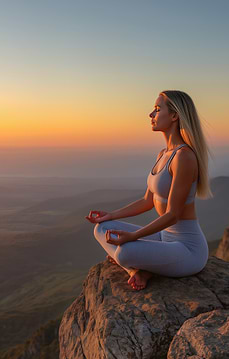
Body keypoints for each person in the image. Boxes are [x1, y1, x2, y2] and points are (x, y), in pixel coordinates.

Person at [85, 90, 213, 291]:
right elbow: (147, 201)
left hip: (187, 249)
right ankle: (137, 271)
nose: (151, 115)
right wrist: (110, 215)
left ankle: (137, 267)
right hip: (164, 238)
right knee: (102, 229)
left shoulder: (184, 157)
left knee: (124, 253)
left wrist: (132, 237)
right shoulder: (163, 154)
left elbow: (172, 215)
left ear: (174, 116)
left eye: (157, 109)